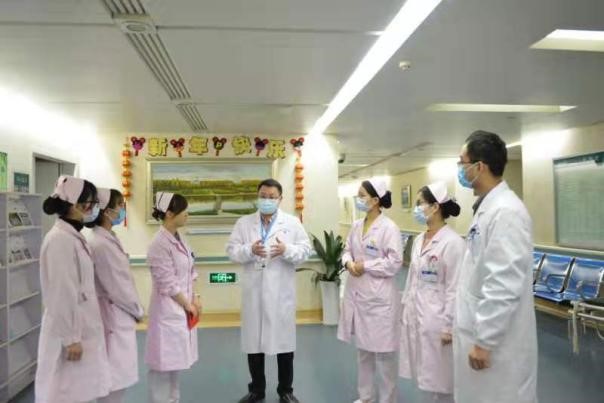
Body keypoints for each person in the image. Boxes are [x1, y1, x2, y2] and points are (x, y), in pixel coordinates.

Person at [454, 131, 537, 403]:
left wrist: (485, 340)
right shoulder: (488, 209)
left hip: (498, 346)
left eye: (462, 162)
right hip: (477, 329)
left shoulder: (507, 212)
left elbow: (503, 282)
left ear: (479, 167)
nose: (460, 169)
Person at [226, 178, 311, 403]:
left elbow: (305, 250)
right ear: (257, 196)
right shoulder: (244, 223)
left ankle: (286, 390)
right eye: (263, 196)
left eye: (272, 197)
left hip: (281, 294)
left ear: (280, 199)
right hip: (254, 293)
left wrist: (286, 249)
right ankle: (257, 390)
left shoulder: (292, 223)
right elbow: (232, 251)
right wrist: (249, 250)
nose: (267, 200)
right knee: (254, 345)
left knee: (285, 346)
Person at [35, 175, 111, 403]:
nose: (94, 208)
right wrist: (70, 338)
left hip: (80, 327)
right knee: (63, 392)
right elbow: (61, 292)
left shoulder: (72, 237)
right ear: (76, 205)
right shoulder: (59, 240)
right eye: (91, 202)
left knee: (77, 392)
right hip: (67, 334)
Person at [338, 179, 403, 403]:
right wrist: (348, 263)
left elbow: (394, 262)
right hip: (359, 295)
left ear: (375, 200)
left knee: (384, 355)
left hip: (380, 299)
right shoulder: (357, 225)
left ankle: (387, 399)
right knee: (363, 352)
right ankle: (365, 398)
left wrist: (365, 265)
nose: (359, 199)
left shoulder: (389, 228)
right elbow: (346, 250)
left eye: (362, 195)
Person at [399, 182, 464, 403]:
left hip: (439, 321)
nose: (416, 209)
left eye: (420, 203)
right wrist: (405, 309)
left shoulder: (453, 243)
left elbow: (455, 288)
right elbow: (412, 279)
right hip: (418, 316)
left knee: (443, 380)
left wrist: (448, 326)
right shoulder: (419, 240)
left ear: (435, 207)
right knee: (425, 376)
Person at [88, 188, 144, 403]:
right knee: (113, 381)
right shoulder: (100, 244)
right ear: (106, 211)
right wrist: (137, 310)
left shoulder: (108, 238)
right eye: (120, 205)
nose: (123, 210)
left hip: (117, 314)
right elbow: (117, 286)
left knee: (117, 379)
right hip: (113, 315)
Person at [145, 192, 200, 403]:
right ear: (169, 214)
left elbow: (190, 270)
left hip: (181, 309)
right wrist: (188, 304)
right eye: (183, 210)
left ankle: (173, 400)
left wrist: (196, 297)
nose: (187, 214)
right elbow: (166, 282)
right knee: (163, 367)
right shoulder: (158, 244)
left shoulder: (180, 238)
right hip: (167, 312)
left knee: (175, 365)